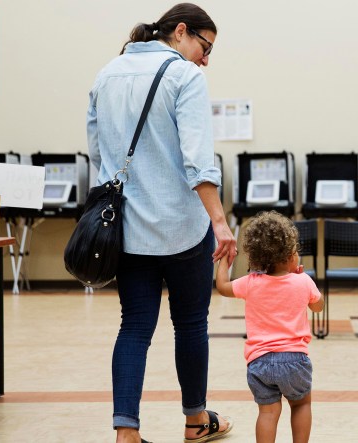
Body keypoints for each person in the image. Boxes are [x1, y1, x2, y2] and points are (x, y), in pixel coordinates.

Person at [87, 3, 235, 443]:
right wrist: (221, 223)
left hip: (128, 229)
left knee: (134, 326)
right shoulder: (185, 76)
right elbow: (198, 161)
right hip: (183, 229)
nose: (206, 58)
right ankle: (195, 422)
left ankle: (126, 433)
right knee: (191, 324)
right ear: (182, 31)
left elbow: (98, 156)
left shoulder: (106, 74)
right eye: (205, 46)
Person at [216, 211, 324, 443]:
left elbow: (223, 286)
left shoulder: (251, 283)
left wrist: (225, 260)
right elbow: (318, 306)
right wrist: (302, 280)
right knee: (301, 403)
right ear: (288, 257)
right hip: (295, 360)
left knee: (267, 411)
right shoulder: (303, 281)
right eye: (295, 251)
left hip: (259, 362)